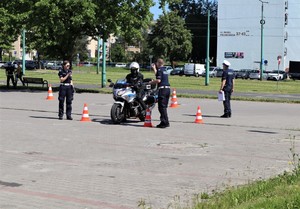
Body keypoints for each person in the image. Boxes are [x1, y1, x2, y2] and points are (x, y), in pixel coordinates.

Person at [150, 58, 171, 128]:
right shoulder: (164, 70)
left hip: (162, 90)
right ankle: (164, 121)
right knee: (164, 107)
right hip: (167, 89)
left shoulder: (159, 70)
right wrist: (154, 69)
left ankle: (165, 122)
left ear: (158, 63)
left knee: (161, 107)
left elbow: (158, 80)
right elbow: (158, 74)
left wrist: (151, 82)